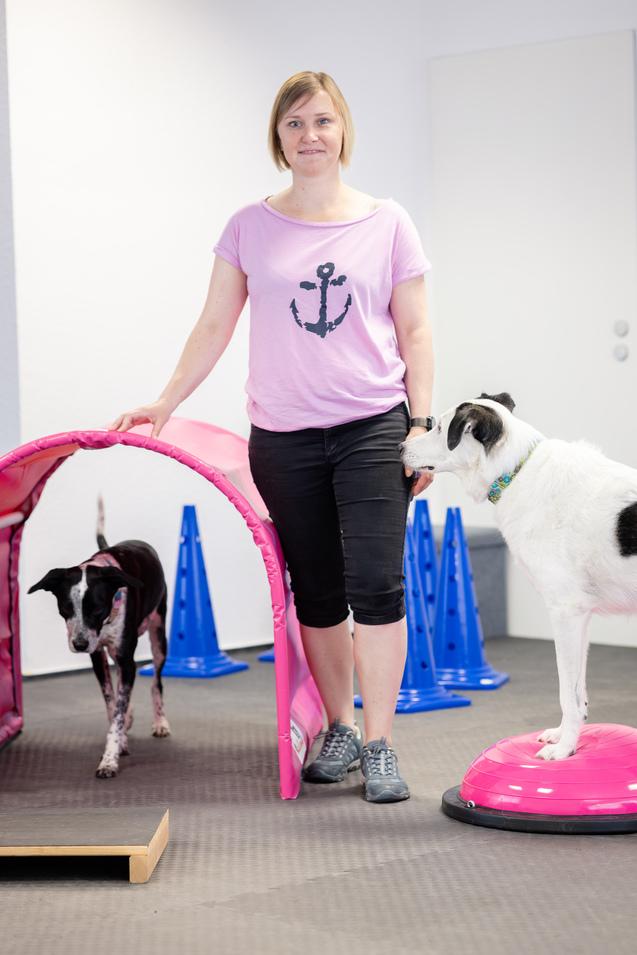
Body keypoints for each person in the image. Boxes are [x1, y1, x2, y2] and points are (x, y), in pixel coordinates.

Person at [108, 70, 434, 803]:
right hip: (284, 437)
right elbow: (214, 324)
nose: (309, 135)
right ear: (278, 138)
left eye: (322, 121)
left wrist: (420, 425)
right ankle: (340, 725)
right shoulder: (248, 227)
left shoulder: (387, 222)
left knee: (376, 586)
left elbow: (416, 331)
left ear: (342, 130)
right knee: (316, 591)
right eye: (294, 124)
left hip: (371, 426)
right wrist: (165, 400)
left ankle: (380, 742)